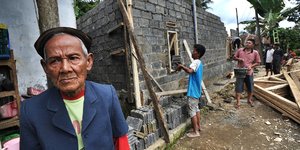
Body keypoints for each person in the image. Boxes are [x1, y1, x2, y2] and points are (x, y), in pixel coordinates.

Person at [20, 27, 129, 150]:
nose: (65, 68)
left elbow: (121, 142)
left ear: (88, 61)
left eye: (73, 58)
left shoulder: (107, 95)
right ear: (45, 67)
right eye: (54, 61)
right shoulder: (30, 110)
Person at [176, 44, 206, 138]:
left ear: (198, 53)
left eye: (194, 51)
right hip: (197, 91)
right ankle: (198, 127)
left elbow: (190, 71)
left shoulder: (195, 62)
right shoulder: (200, 63)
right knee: (196, 109)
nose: (192, 52)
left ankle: (195, 132)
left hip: (192, 92)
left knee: (192, 111)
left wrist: (181, 66)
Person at [233, 39, 261, 109]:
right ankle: (238, 102)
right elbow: (234, 57)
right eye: (246, 42)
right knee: (238, 87)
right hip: (240, 72)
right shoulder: (240, 50)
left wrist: (251, 66)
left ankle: (249, 100)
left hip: (249, 72)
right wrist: (239, 59)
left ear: (252, 45)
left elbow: (258, 62)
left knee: (250, 87)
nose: (247, 44)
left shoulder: (255, 52)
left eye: (249, 43)